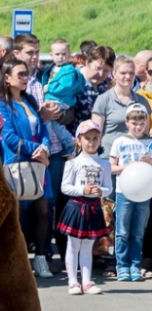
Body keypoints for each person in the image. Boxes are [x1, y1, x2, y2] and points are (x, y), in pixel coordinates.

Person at [0, 57, 53, 279]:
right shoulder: (1, 106)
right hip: (17, 164)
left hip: (40, 164)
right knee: (17, 213)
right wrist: (37, 150)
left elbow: (44, 129)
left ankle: (40, 258)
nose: (26, 78)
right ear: (7, 78)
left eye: (27, 74)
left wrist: (44, 149)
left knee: (44, 212)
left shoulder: (29, 101)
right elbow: (8, 138)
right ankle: (15, 260)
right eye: (21, 74)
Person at [58, 120, 112, 295]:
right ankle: (73, 282)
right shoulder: (72, 163)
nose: (91, 142)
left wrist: (99, 191)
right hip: (77, 207)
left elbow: (109, 188)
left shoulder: (104, 164)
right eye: (87, 138)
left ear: (100, 140)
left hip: (94, 207)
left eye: (95, 138)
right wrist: (83, 189)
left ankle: (87, 281)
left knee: (88, 246)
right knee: (73, 245)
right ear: (79, 141)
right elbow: (65, 187)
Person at [108, 103, 152, 282]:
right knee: (122, 231)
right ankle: (122, 265)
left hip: (144, 194)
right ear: (127, 122)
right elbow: (110, 168)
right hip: (123, 192)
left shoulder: (149, 143)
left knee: (138, 231)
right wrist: (128, 166)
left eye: (142, 123)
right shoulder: (119, 141)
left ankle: (135, 264)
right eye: (134, 123)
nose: (138, 127)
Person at [91, 56, 150, 160]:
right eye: (123, 73)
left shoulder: (142, 101)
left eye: (131, 73)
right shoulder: (103, 99)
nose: (128, 76)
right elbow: (95, 133)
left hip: (136, 158)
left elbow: (145, 133)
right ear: (114, 73)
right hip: (108, 157)